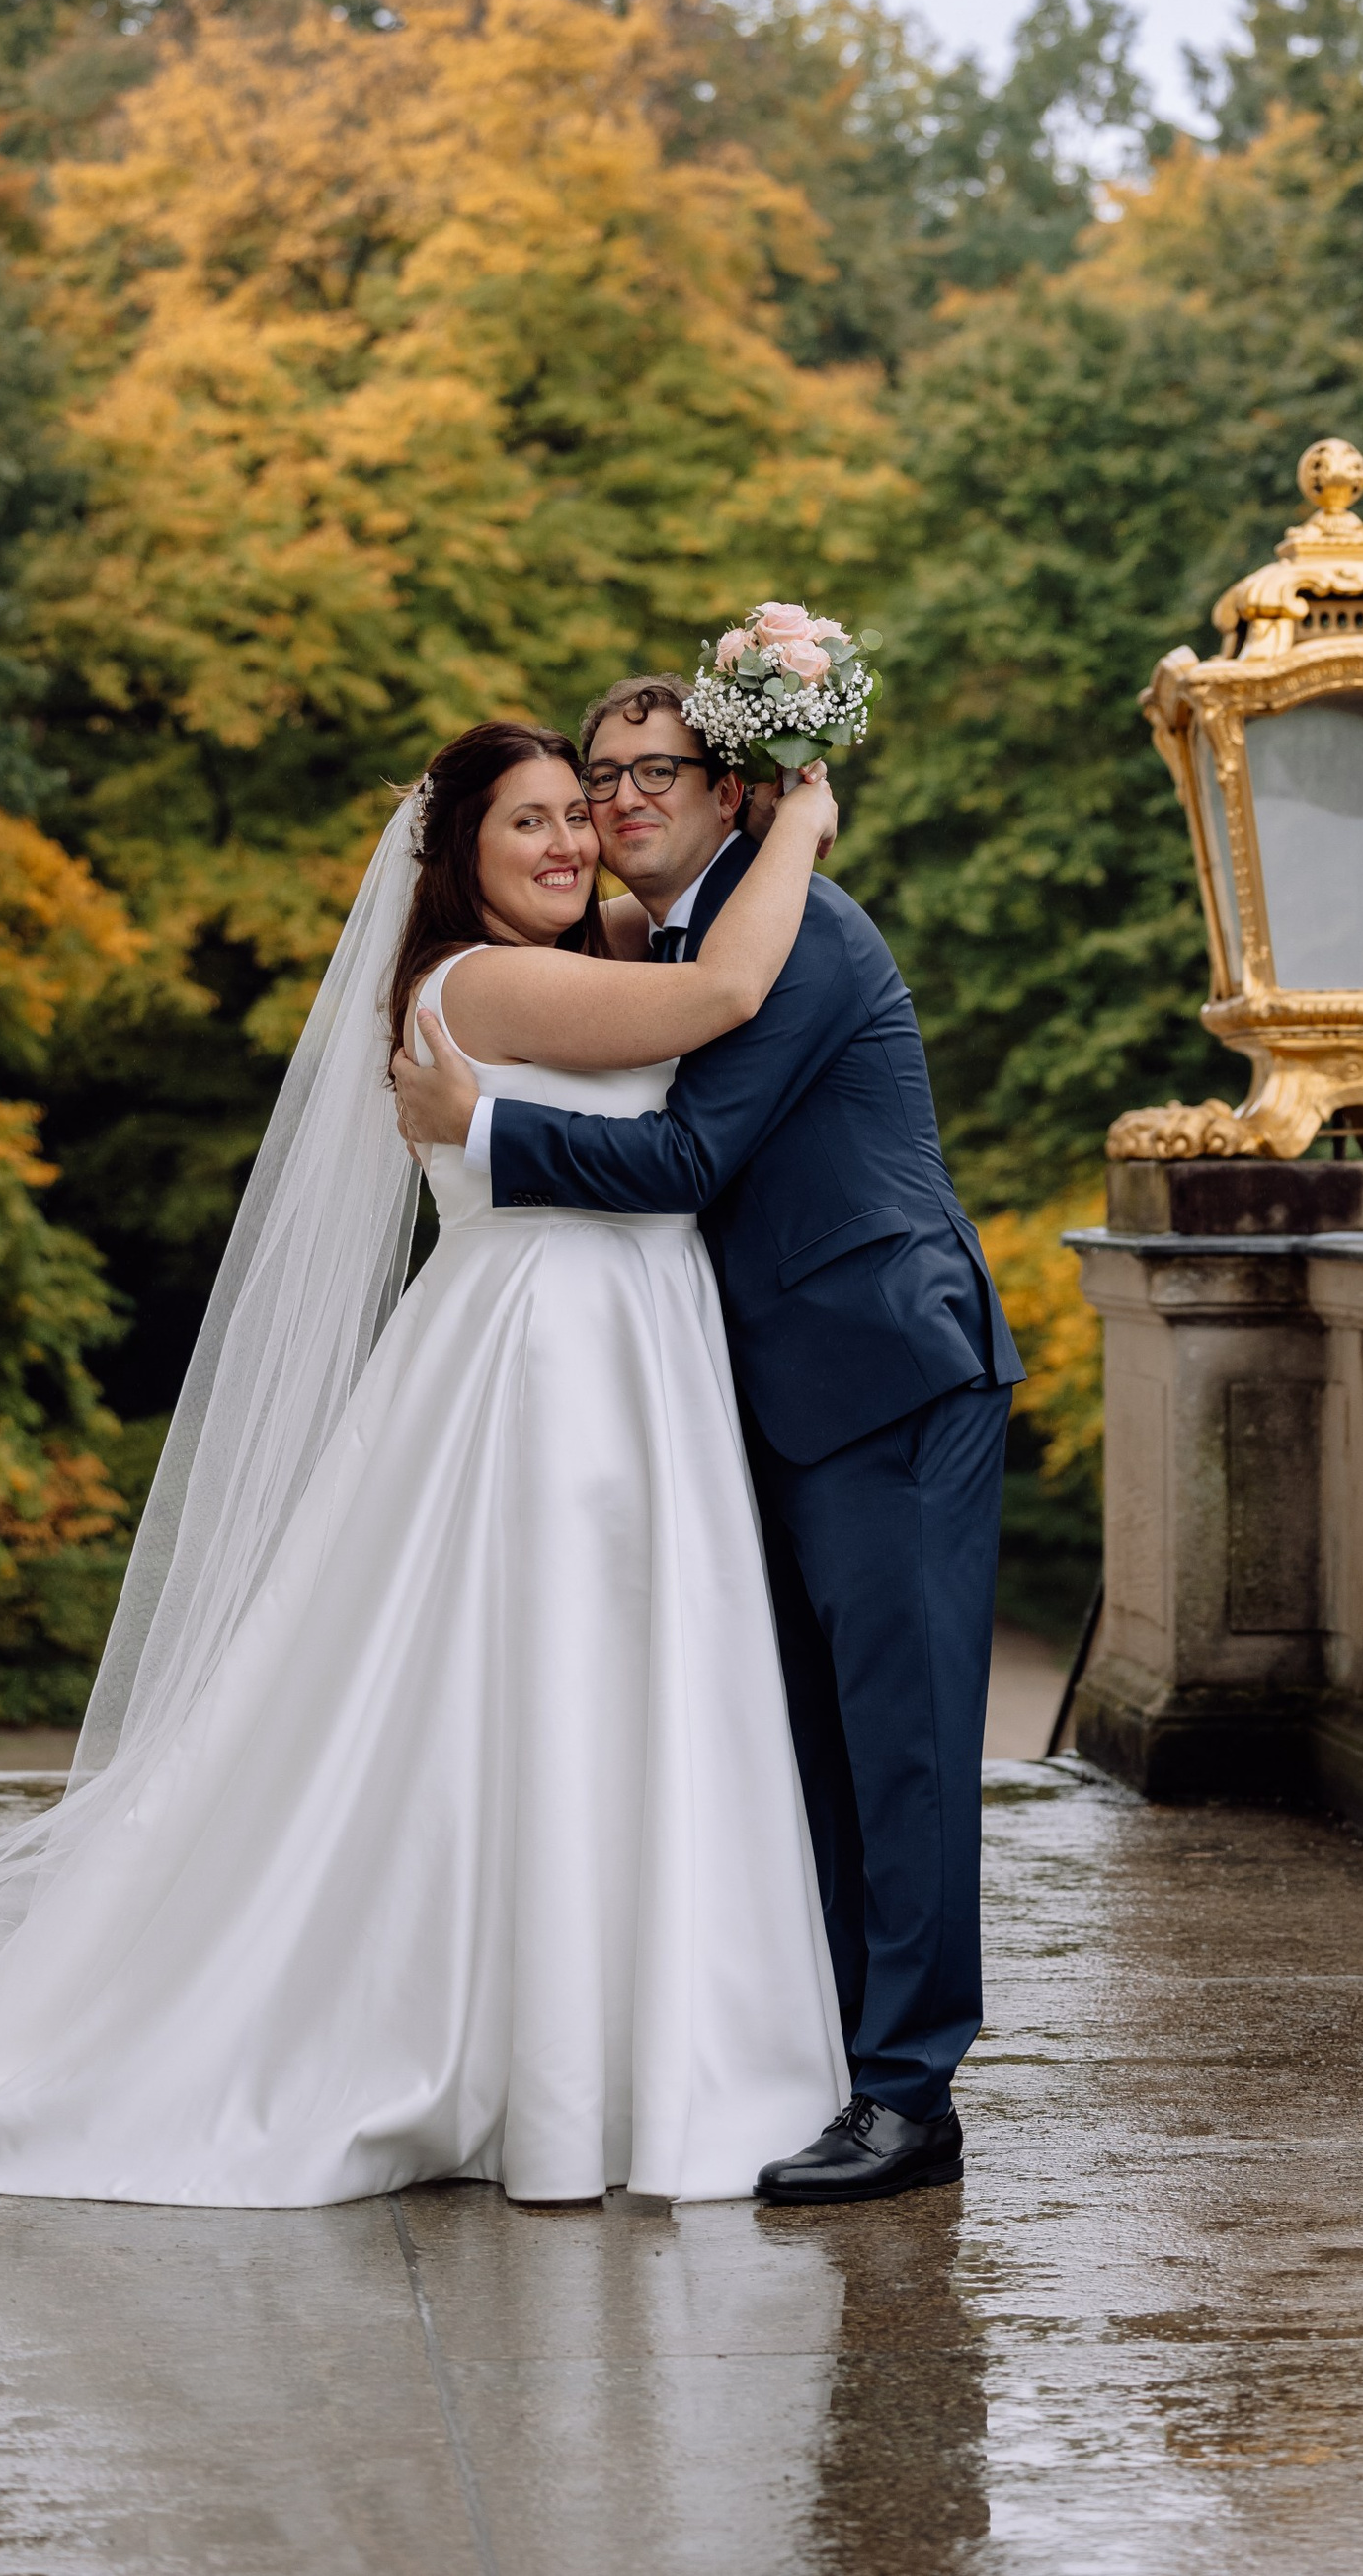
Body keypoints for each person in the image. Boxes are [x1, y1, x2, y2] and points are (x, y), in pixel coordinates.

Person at [0, 722, 850, 2210]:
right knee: (547, 1690)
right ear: (457, 857)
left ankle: (598, 2051)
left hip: (617, 1345)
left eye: (582, 814)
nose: (573, 842)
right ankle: (541, 2067)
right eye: (530, 825)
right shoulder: (484, 981)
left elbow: (680, 909)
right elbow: (720, 986)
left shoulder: (568, 951)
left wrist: (736, 782)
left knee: (592, 1695)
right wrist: (808, 817)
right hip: (552, 1362)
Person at [392, 675, 1021, 2207]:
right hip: (760, 1391)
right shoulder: (664, 936)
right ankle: (834, 2056)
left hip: (887, 1372)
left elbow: (688, 1155)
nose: (617, 802)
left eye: (652, 770)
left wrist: (478, 1132)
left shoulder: (790, 917)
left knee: (910, 1747)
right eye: (596, 779)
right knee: (810, 1750)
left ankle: (910, 2096)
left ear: (729, 788)